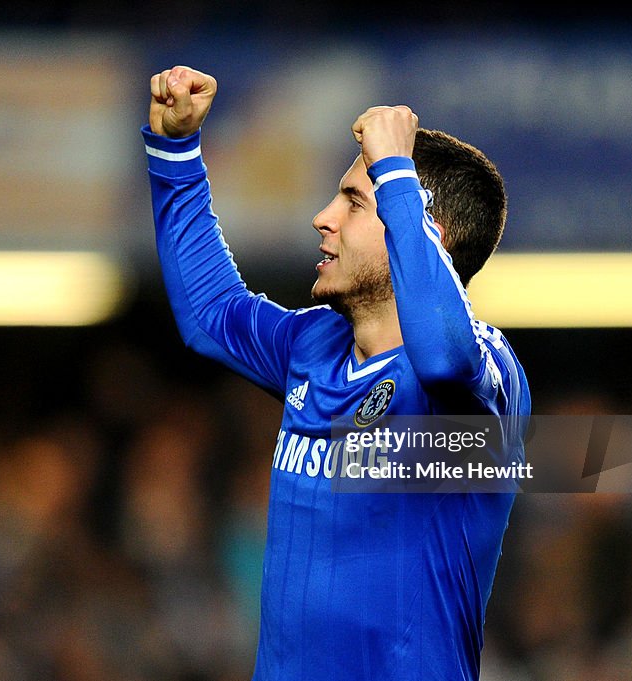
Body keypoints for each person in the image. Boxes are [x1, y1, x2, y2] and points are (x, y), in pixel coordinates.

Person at [142, 64, 531, 681]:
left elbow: (441, 355)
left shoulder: (484, 380)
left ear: (429, 231)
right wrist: (175, 148)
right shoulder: (314, 346)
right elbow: (211, 314)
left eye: (353, 200)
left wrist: (398, 175)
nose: (324, 217)